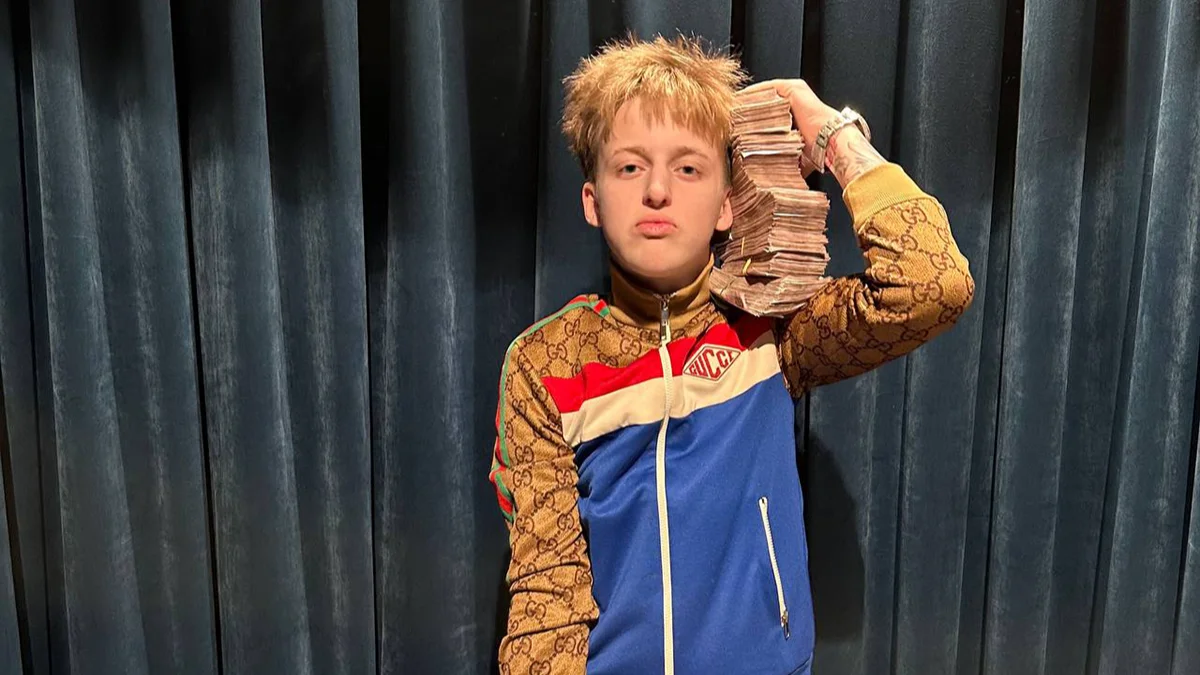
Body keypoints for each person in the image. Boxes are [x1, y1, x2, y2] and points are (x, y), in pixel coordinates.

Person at [488, 34, 974, 675]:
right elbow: (546, 595)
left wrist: (833, 136)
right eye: (629, 168)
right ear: (592, 200)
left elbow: (933, 285)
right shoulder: (546, 364)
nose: (656, 190)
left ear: (726, 205)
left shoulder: (771, 326)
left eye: (688, 168)